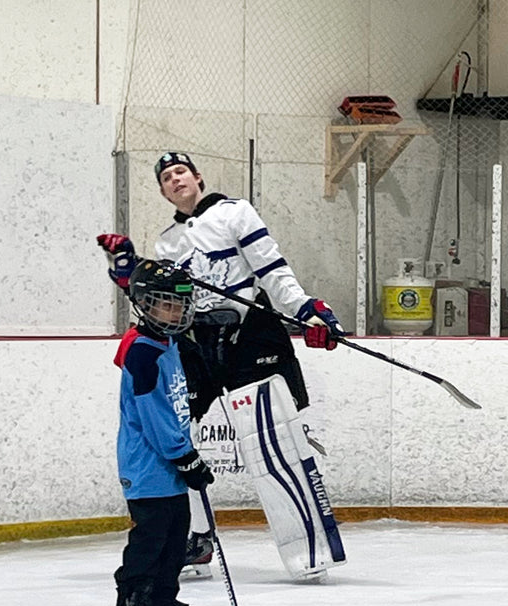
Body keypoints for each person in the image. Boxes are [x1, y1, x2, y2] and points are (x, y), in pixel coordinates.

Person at [98, 151, 346, 580]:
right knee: (174, 437)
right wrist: (129, 272)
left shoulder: (236, 213)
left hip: (249, 338)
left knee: (273, 443)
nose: (175, 180)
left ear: (197, 177)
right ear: (162, 191)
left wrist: (306, 310)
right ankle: (194, 540)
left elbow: (272, 270)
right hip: (197, 344)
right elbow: (164, 301)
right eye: (166, 178)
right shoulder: (166, 243)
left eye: (181, 172)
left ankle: (310, 542)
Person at [111, 260, 215, 606]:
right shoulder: (142, 352)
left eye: (179, 305)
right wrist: (185, 457)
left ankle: (162, 599)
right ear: (144, 305)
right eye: (165, 304)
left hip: (168, 466)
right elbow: (154, 418)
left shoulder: (166, 343)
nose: (175, 312)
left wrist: (183, 456)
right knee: (149, 539)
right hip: (147, 466)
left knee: (175, 536)